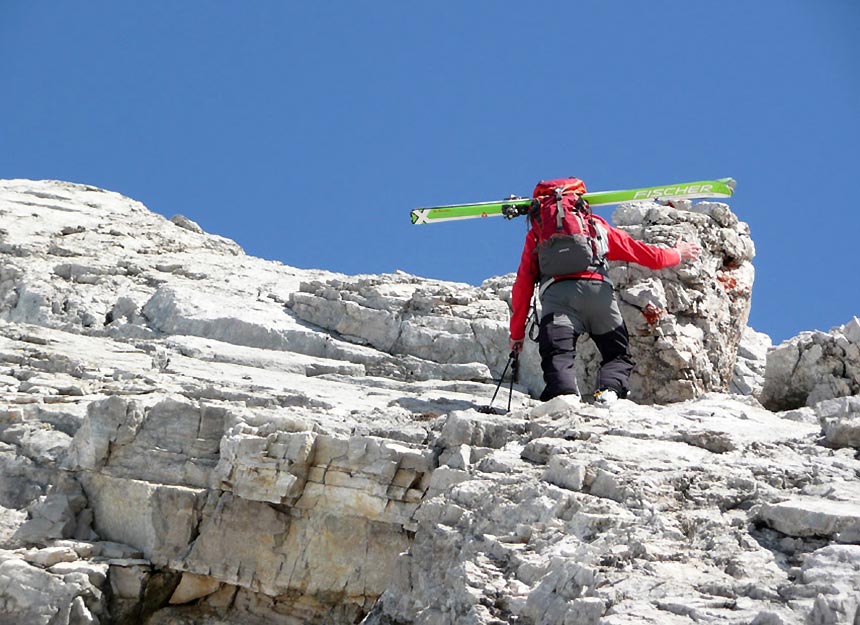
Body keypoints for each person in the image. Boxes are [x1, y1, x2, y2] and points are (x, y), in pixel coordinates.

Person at [509, 177, 701, 402]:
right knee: (617, 353)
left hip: (558, 299)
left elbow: (522, 285)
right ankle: (609, 391)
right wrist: (679, 253)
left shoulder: (537, 234)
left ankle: (564, 395)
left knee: (557, 355)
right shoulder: (595, 226)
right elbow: (648, 255)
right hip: (599, 296)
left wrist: (517, 335)